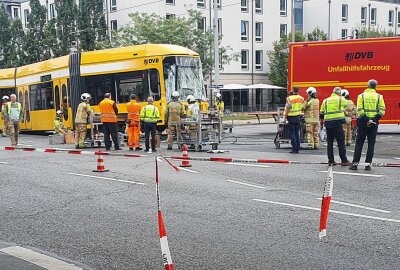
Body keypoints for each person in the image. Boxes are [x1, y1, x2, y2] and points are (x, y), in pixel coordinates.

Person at [349, 79, 385, 170]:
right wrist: (374, 119)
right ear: (375, 87)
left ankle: (355, 164)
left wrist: (367, 119)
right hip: (374, 123)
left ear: (368, 85)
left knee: (359, 143)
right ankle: (368, 164)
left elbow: (360, 110)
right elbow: (382, 110)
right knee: (371, 143)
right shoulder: (379, 97)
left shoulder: (361, 96)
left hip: (362, 122)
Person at [320, 87, 350, 165]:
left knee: (329, 142)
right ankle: (344, 160)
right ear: (339, 93)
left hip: (328, 123)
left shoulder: (325, 100)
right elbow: (347, 104)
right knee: (340, 142)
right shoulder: (341, 99)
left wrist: (322, 122)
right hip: (338, 123)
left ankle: (331, 160)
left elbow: (321, 113)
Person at [284, 86, 304, 153]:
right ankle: (297, 148)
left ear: (293, 90)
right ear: (298, 90)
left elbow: (287, 109)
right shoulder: (301, 98)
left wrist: (285, 117)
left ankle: (294, 148)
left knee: (292, 134)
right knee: (297, 133)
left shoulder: (289, 98)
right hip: (298, 117)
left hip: (291, 117)